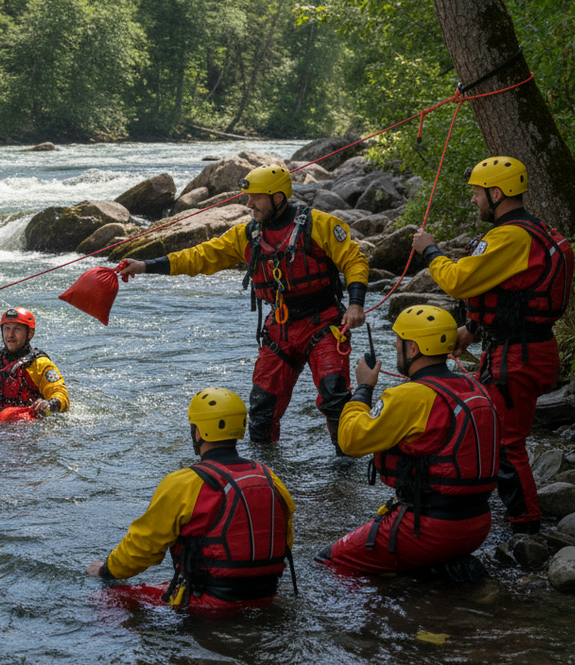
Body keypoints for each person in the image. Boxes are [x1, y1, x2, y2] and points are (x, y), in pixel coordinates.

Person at [117, 165, 369, 448]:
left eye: (255, 198)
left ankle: (345, 474)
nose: (248, 204)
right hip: (281, 328)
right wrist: (145, 266)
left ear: (278, 198)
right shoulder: (246, 236)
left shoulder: (318, 225)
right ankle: (265, 472)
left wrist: (355, 304)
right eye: (248, 197)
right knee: (262, 409)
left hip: (323, 323)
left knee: (334, 398)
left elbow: (354, 260)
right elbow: (199, 257)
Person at [411, 156, 573, 535]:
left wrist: (429, 250)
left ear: (496, 193)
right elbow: (514, 292)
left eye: (477, 193)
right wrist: (471, 327)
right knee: (497, 434)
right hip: (520, 348)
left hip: (518, 356)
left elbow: (457, 281)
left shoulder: (510, 236)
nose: (473, 201)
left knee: (504, 442)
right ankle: (509, 513)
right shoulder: (531, 230)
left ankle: (525, 527)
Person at [316, 305, 500, 575]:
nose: (395, 344)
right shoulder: (475, 387)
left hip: (430, 529)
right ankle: (441, 573)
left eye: (399, 340)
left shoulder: (409, 396)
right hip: (477, 524)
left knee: (328, 562)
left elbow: (349, 441)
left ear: (413, 349)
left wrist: (364, 387)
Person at [85, 388, 295, 613]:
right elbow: (285, 540)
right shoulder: (270, 478)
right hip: (266, 598)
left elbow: (142, 548)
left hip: (209, 605)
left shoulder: (183, 483)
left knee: (101, 599)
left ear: (198, 433)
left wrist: (106, 570)